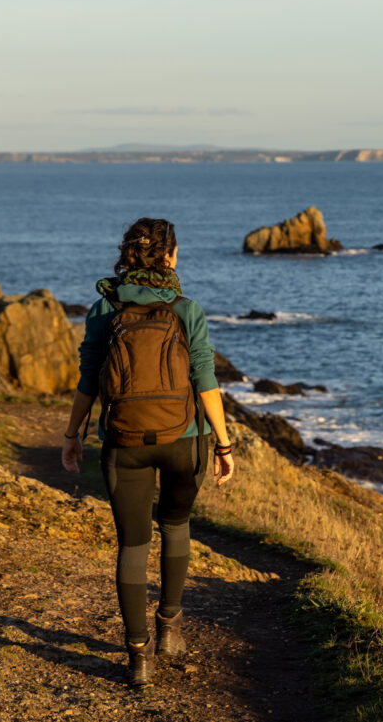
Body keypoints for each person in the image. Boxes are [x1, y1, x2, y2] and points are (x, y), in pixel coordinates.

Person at [60, 217, 235, 688]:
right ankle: (170, 628)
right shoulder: (186, 309)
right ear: (170, 257)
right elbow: (205, 381)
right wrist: (223, 443)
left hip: (124, 444)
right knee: (176, 525)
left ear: (128, 256)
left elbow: (89, 378)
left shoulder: (103, 308)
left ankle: (139, 658)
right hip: (186, 440)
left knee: (132, 546)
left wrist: (73, 434)